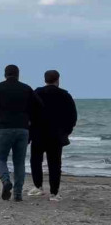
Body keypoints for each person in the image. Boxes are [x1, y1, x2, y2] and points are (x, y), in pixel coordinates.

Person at [0, 65, 42, 202]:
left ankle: (6, 180)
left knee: (0, 159)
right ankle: (17, 194)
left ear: (5, 74)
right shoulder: (26, 88)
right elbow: (39, 106)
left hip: (3, 128)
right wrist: (29, 119)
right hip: (22, 129)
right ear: (18, 75)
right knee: (19, 162)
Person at [28, 70, 78, 201]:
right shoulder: (65, 95)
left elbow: (28, 112)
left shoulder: (36, 93)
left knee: (35, 161)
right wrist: (66, 132)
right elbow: (72, 116)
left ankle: (38, 186)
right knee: (55, 163)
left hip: (38, 133)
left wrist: (30, 130)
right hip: (56, 134)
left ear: (45, 79)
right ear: (58, 79)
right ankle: (54, 193)